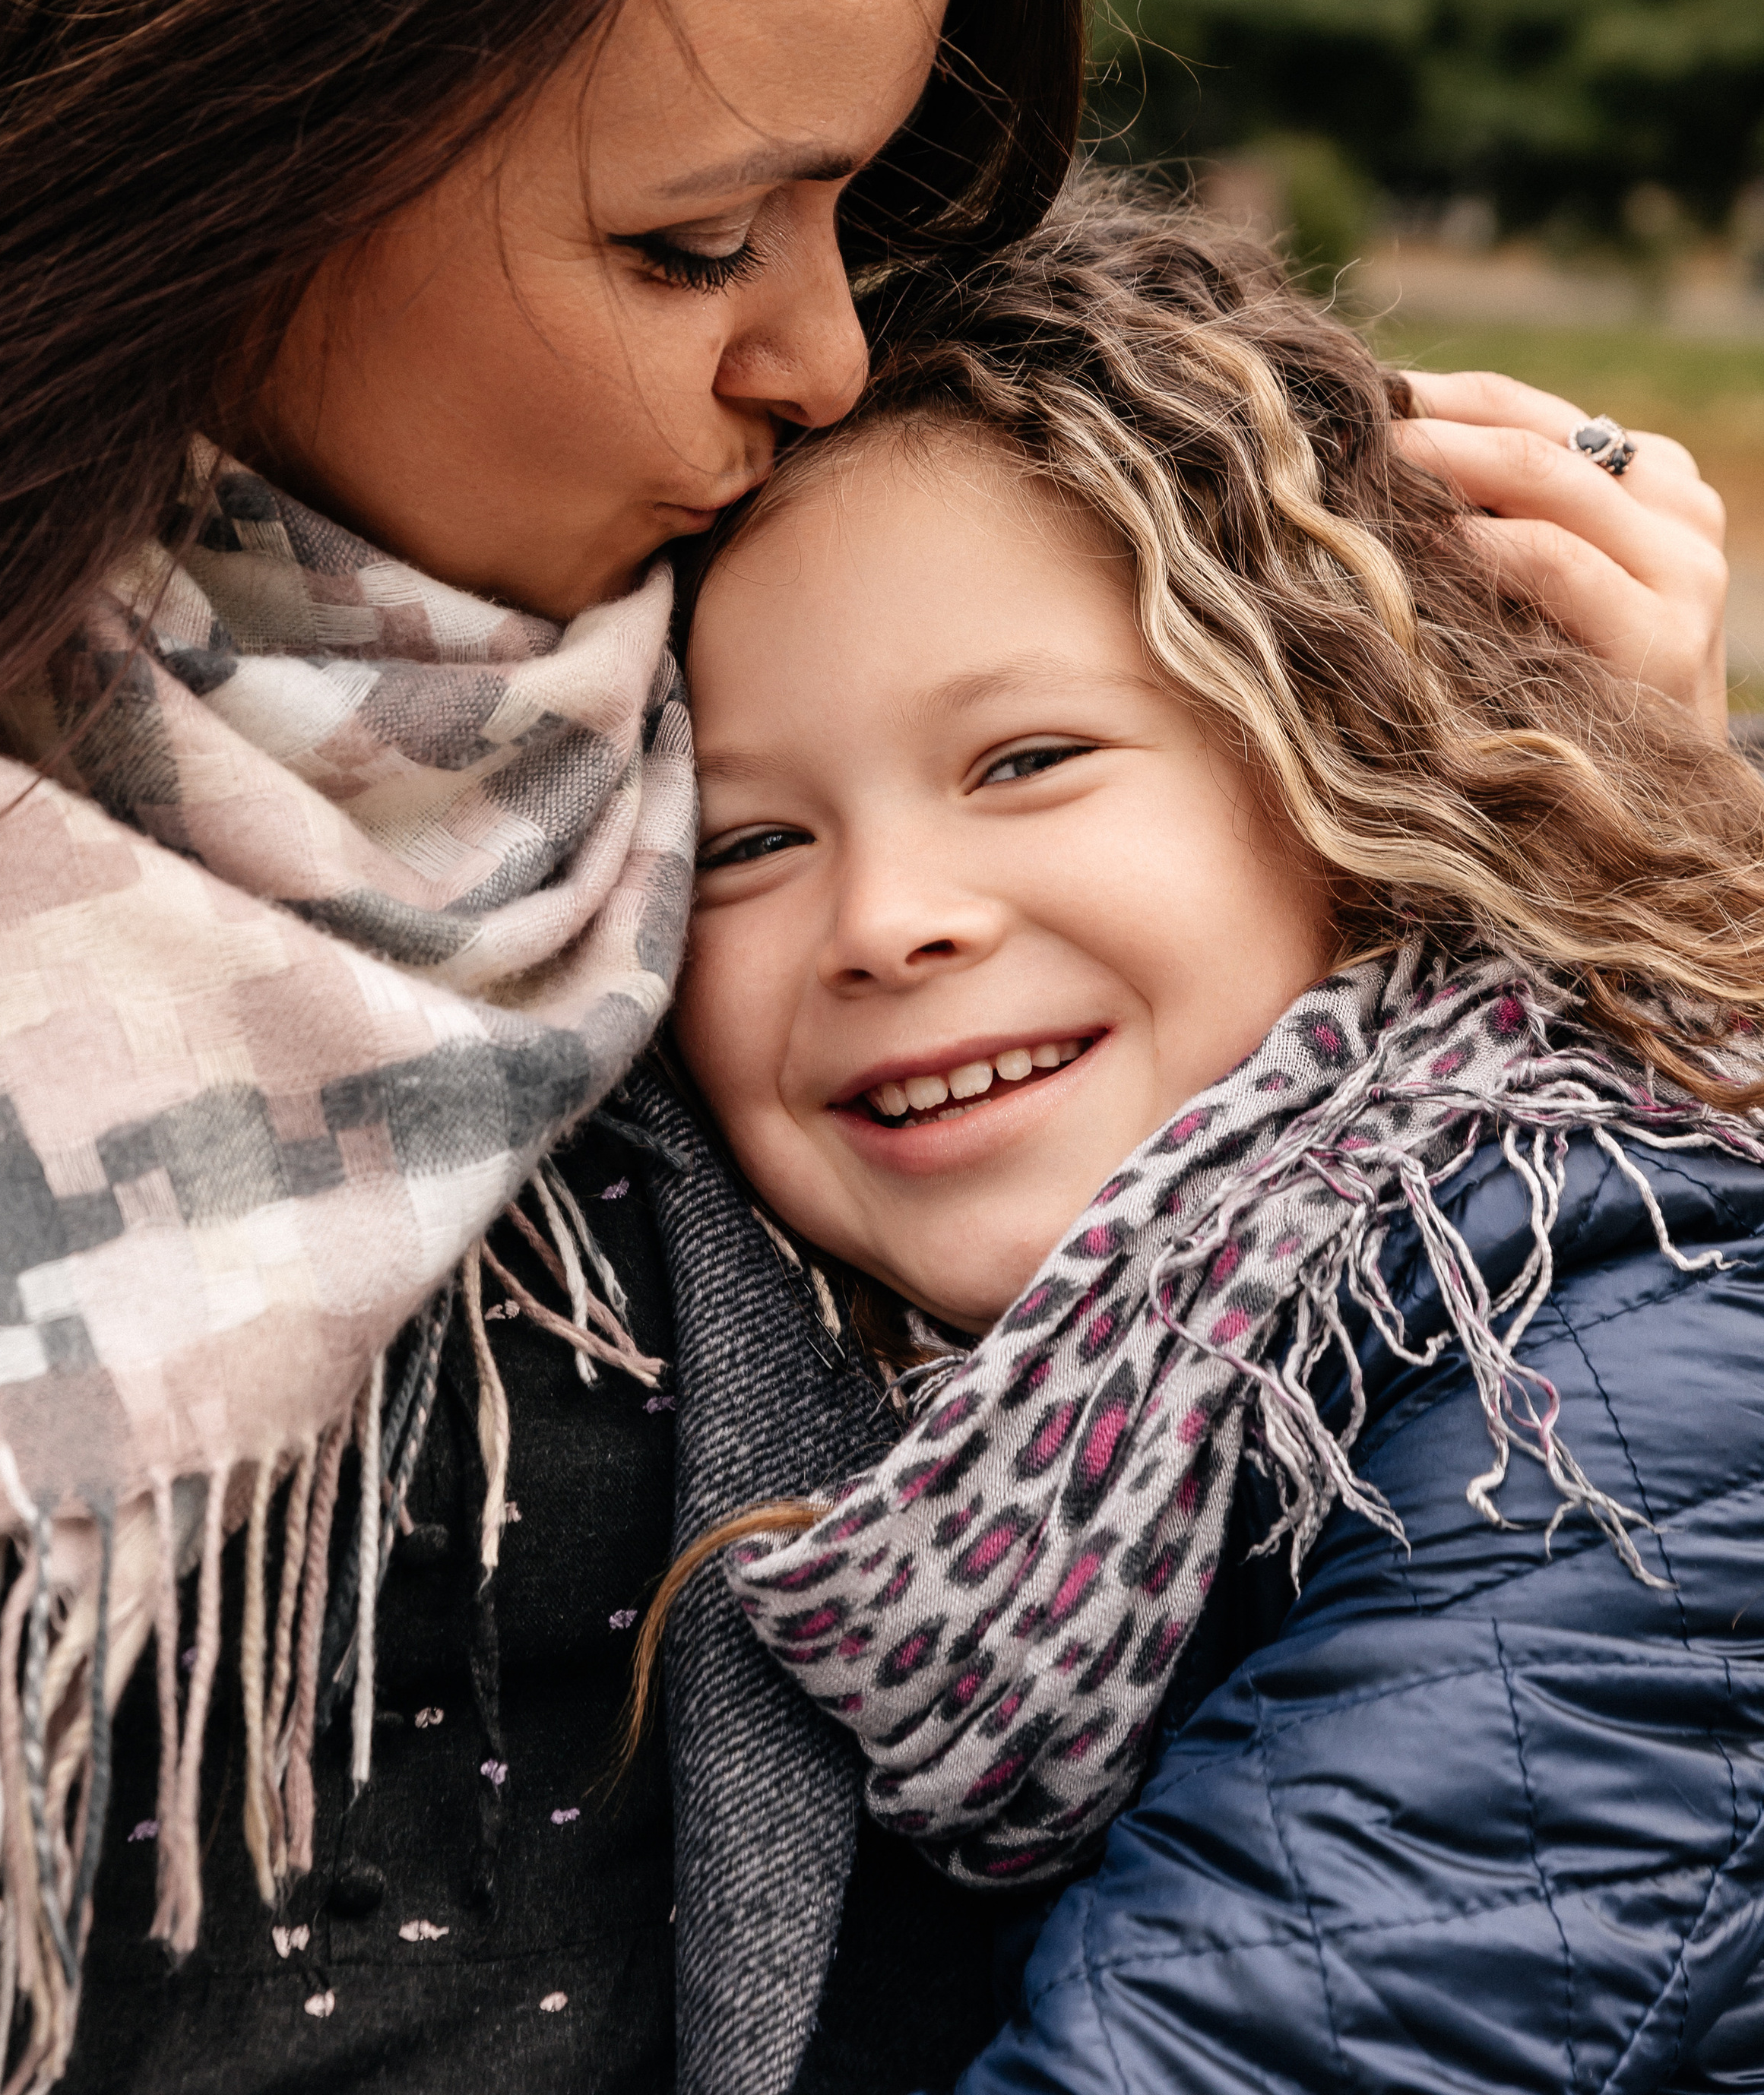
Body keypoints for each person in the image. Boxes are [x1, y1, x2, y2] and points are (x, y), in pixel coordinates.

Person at [0, 0, 1734, 2095]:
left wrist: (1536, 856)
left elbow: (1478, 1522)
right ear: (220, 152)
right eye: (693, 244)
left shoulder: (794, 697)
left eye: (855, 212)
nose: (822, 358)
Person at [648, 174, 1764, 2093]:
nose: (884, 917)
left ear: (1350, 757)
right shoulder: (984, 1411)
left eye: (1026, 760)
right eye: (749, 841)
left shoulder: (1604, 1374)